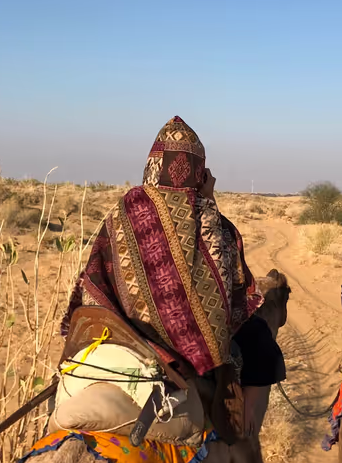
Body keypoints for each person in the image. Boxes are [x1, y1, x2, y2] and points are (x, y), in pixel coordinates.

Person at [62, 116, 284, 437]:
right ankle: (244, 433)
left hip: (118, 333)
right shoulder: (210, 218)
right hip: (176, 356)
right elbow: (225, 290)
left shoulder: (123, 210)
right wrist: (207, 200)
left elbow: (94, 276)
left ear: (152, 166)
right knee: (261, 341)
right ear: (200, 171)